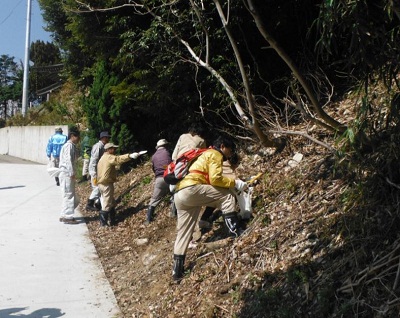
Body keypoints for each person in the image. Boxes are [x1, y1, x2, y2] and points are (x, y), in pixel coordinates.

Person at [171, 135, 247, 282]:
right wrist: (235, 183)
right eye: (230, 150)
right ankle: (235, 231)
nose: (230, 154)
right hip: (192, 189)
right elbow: (215, 179)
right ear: (223, 146)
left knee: (183, 233)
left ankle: (177, 271)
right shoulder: (215, 154)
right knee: (227, 196)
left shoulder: (202, 154)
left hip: (179, 193)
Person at [97, 143, 142, 226]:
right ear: (109, 149)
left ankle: (113, 219)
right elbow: (118, 159)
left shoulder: (102, 157)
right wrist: (130, 156)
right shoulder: (109, 157)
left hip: (101, 183)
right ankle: (103, 223)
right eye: (113, 149)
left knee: (112, 202)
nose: (115, 150)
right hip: (106, 184)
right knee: (107, 203)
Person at [170, 122, 207, 217]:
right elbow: (203, 157)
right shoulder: (201, 140)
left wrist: (175, 163)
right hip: (190, 167)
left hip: (178, 165)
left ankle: (175, 204)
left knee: (176, 187)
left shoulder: (183, 136)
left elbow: (174, 154)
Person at [146, 139, 173, 224]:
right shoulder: (169, 152)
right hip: (169, 177)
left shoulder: (153, 156)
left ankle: (148, 219)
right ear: (165, 145)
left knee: (154, 199)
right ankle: (173, 214)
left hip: (159, 179)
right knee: (175, 194)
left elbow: (154, 169)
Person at [58, 129, 81, 224]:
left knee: (69, 195)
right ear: (72, 136)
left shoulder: (71, 146)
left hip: (66, 173)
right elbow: (68, 160)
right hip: (67, 173)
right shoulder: (69, 146)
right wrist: (71, 173)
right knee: (69, 195)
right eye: (77, 137)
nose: (78, 139)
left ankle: (64, 214)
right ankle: (68, 216)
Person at [86, 131, 111, 211]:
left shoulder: (103, 146)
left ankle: (98, 204)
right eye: (107, 137)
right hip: (94, 170)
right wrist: (93, 172)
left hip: (98, 170)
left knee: (98, 188)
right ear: (103, 138)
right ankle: (89, 203)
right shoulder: (98, 146)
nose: (108, 139)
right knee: (97, 188)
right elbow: (94, 160)